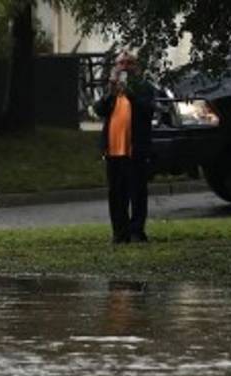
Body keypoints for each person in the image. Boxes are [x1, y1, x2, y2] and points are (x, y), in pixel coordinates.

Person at [92, 51, 156, 243]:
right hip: (113, 150)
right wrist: (110, 93)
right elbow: (99, 110)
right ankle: (119, 232)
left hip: (134, 150)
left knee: (137, 192)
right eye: (121, 63)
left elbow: (148, 109)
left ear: (136, 67)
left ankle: (137, 231)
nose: (124, 67)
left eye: (129, 63)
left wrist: (131, 93)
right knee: (116, 194)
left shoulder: (144, 87)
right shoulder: (112, 91)